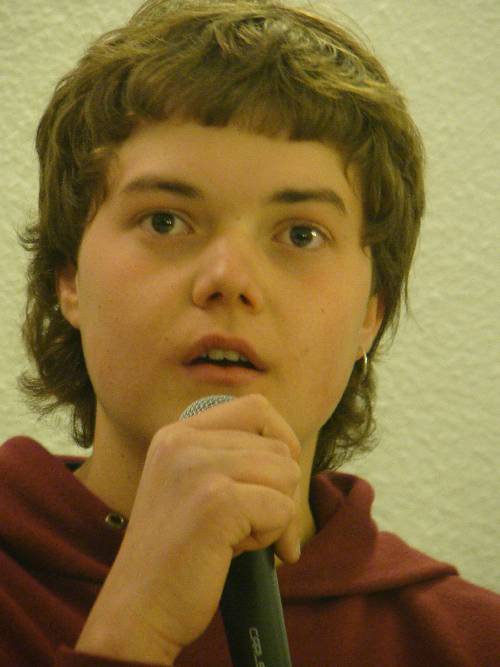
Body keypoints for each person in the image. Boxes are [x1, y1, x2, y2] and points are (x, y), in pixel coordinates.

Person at [1, 0, 498, 665]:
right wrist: (134, 628)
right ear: (68, 277)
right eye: (165, 221)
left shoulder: (473, 641)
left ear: (371, 312)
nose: (229, 279)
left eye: (301, 234)